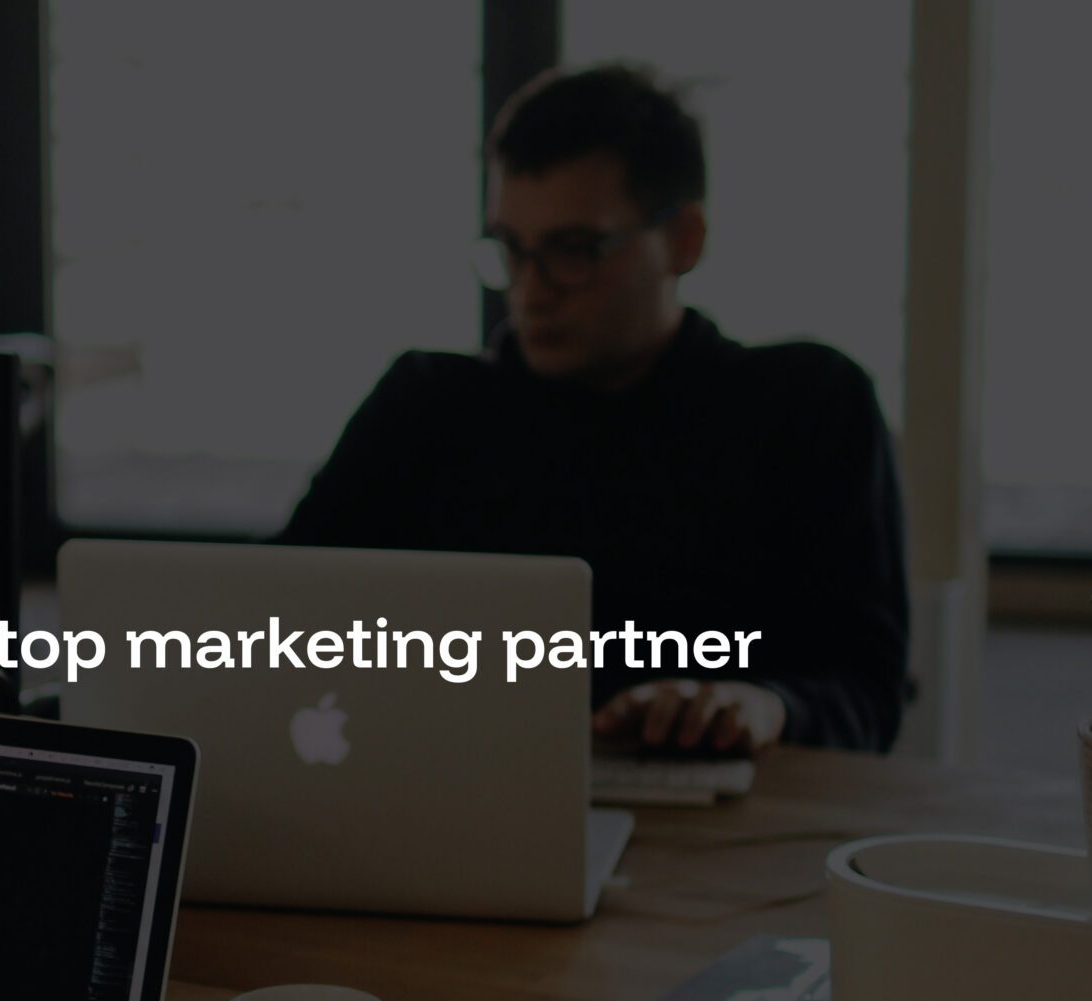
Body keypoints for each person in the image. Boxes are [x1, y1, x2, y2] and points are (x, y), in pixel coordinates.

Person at [278, 64, 908, 753]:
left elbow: (867, 692)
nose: (531, 290)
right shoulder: (425, 406)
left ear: (685, 240)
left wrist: (764, 706)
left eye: (573, 251)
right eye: (513, 251)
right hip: (455, 805)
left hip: (728, 828)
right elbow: (269, 614)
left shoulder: (808, 406)